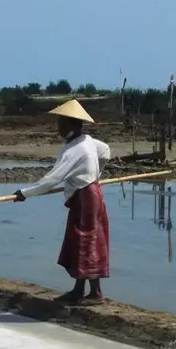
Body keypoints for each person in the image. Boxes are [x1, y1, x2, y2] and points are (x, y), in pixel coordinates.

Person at [14, 99, 112, 304]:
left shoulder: (75, 150)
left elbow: (51, 179)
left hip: (85, 196)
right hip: (90, 192)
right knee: (86, 240)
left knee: (86, 240)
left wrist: (25, 193)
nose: (58, 126)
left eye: (61, 122)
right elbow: (106, 151)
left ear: (72, 123)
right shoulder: (87, 140)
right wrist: (95, 175)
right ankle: (80, 290)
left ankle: (94, 293)